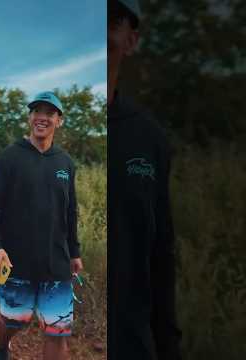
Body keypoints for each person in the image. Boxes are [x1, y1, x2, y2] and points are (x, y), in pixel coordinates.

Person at [0, 91, 84, 360]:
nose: (42, 117)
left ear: (59, 120)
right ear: (29, 117)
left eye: (49, 113)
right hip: (16, 260)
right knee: (16, 320)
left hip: (56, 262)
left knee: (57, 332)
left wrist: (74, 252)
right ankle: (3, 344)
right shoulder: (10, 157)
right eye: (37, 111)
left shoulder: (66, 163)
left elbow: (70, 211)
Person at [108, 1, 182, 359]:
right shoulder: (44, 128)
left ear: (130, 40)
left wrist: (168, 347)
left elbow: (160, 253)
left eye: (110, 19)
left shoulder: (149, 137)